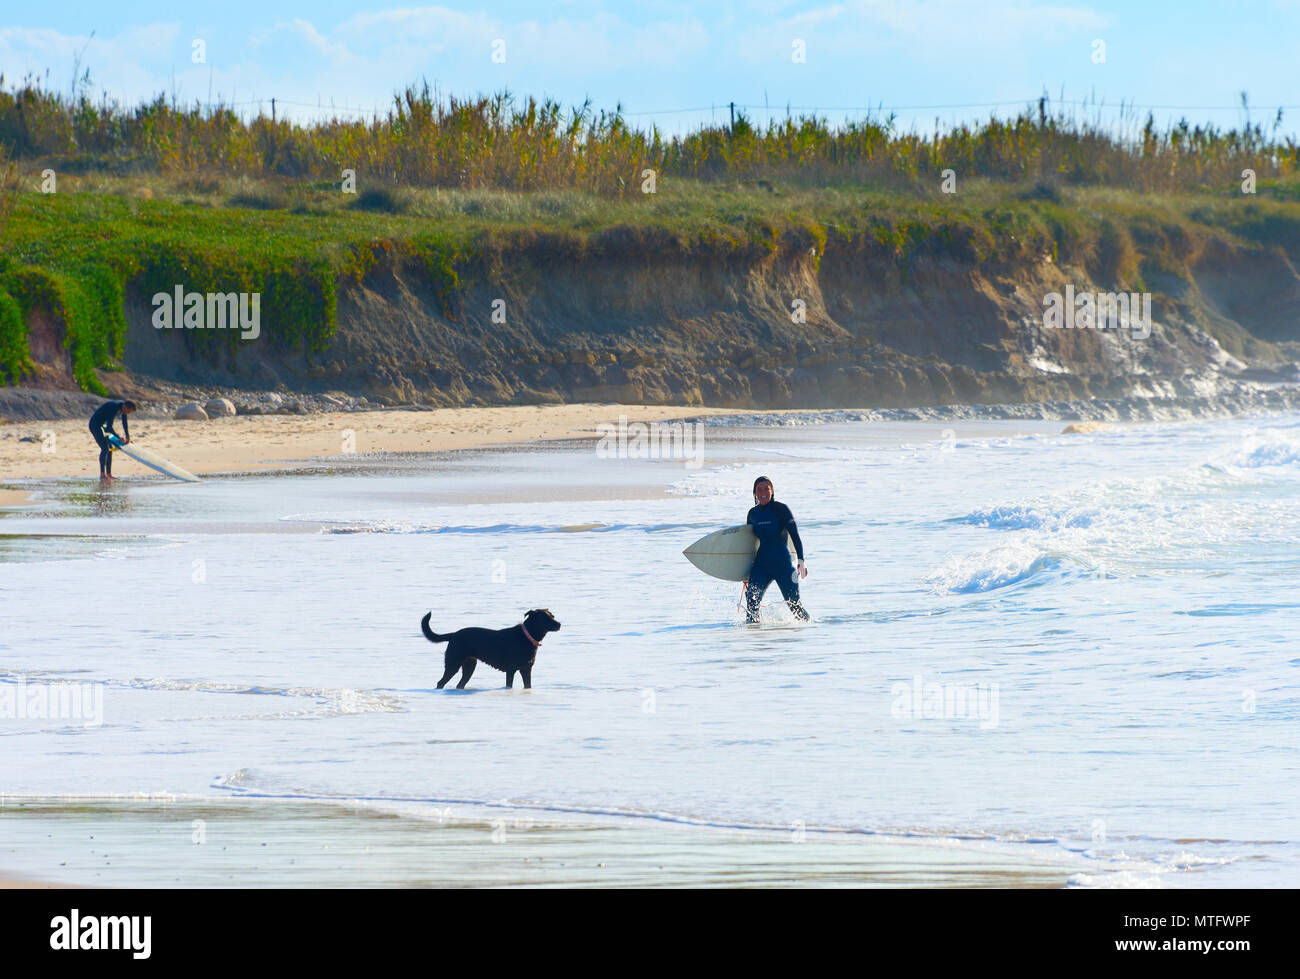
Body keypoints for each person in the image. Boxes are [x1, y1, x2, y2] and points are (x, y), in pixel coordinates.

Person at [743, 475, 810, 622]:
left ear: (772, 490)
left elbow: (795, 535)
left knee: (795, 606)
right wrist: (744, 568)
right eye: (759, 489)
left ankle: (809, 630)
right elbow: (749, 542)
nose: (763, 492)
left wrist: (801, 560)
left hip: (783, 566)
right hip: (761, 566)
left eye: (766, 488)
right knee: (751, 606)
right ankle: (754, 639)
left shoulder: (781, 509)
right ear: (755, 492)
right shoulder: (753, 514)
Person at [88, 399, 136, 480]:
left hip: (102, 425)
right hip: (95, 425)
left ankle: (109, 474)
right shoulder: (113, 407)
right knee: (105, 448)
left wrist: (127, 436)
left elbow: (124, 423)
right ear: (125, 407)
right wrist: (118, 437)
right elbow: (109, 427)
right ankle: (102, 474)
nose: (127, 414)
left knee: (110, 449)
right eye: (128, 412)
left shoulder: (123, 408)